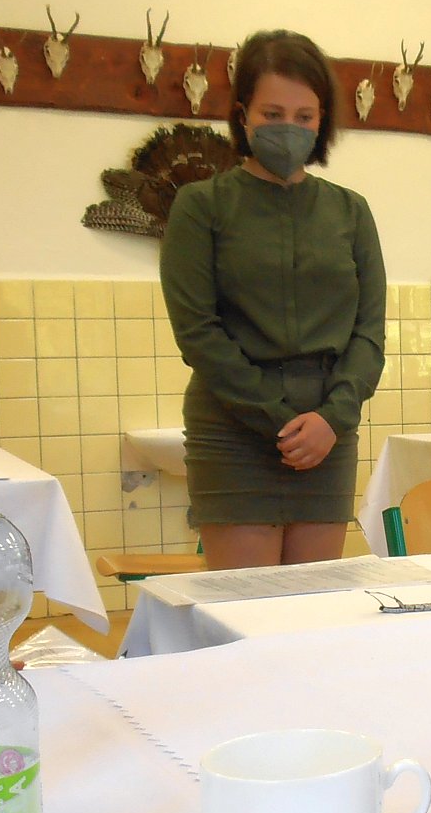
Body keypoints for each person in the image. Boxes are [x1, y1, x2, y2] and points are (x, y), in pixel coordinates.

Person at [161, 29, 386, 570]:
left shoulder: (350, 211)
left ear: (322, 120)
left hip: (327, 433)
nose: (289, 128)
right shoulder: (200, 206)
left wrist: (332, 418)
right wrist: (281, 420)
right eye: (273, 113)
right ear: (243, 115)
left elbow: (369, 333)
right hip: (233, 431)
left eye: (304, 116)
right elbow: (198, 334)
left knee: (313, 604)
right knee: (247, 603)